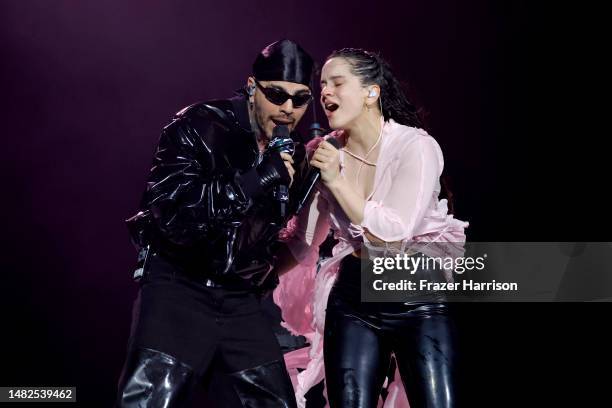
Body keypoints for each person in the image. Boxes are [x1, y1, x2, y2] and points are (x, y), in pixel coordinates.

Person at [115, 39, 315, 407]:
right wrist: (255, 181)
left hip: (239, 300)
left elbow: (276, 236)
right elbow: (171, 216)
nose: (288, 109)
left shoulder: (294, 153)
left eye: (300, 99)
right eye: (277, 95)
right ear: (252, 87)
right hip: (179, 288)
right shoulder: (199, 124)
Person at [274, 48, 469, 407]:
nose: (325, 93)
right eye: (322, 86)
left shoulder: (415, 146)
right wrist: (248, 276)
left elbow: (392, 235)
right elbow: (303, 241)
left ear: (371, 92)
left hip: (417, 296)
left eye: (337, 83)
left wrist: (335, 178)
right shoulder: (325, 150)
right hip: (354, 298)